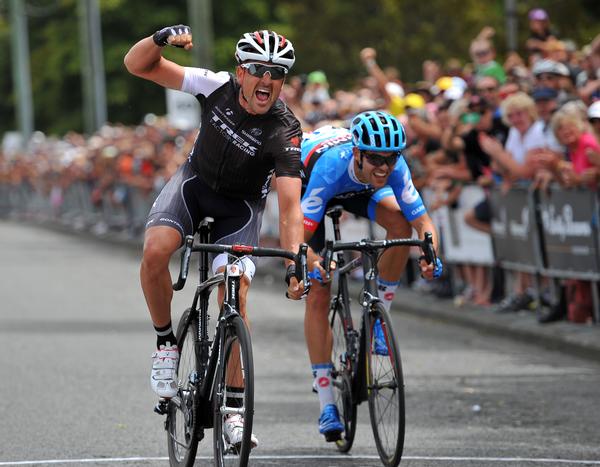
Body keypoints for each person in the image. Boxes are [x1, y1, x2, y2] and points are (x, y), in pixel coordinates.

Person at [124, 26, 306, 446]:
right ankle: (166, 344)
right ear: (240, 72)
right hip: (194, 186)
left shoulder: (285, 130)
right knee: (155, 252)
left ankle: (235, 411)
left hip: (238, 211)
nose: (267, 80)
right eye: (258, 69)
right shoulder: (216, 85)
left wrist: (295, 260)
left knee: (236, 298)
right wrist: (161, 38)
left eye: (277, 73)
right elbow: (137, 65)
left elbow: (291, 207)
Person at [299, 110, 442, 441]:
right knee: (319, 288)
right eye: (376, 158)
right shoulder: (334, 164)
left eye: (391, 159)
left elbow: (422, 221)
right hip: (317, 185)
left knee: (401, 224)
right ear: (357, 151)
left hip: (359, 189)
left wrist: (431, 252)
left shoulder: (391, 168)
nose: (384, 166)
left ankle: (380, 317)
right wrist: (308, 260)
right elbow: (298, 239)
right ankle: (326, 404)